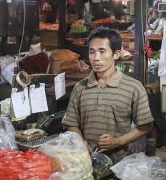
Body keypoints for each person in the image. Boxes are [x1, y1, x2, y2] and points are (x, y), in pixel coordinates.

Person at [63, 28, 154, 161]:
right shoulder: (80, 88)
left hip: (120, 163)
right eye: (92, 52)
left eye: (102, 51)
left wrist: (118, 141)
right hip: (85, 162)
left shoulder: (133, 87)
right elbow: (71, 123)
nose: (96, 58)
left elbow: (146, 126)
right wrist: (81, 144)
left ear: (116, 54)